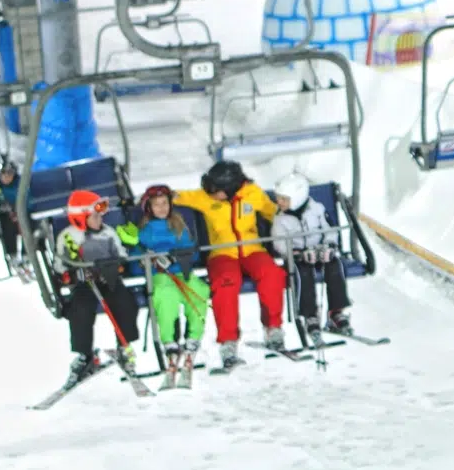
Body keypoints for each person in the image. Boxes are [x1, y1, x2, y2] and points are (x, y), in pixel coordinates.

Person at [176, 159, 285, 372]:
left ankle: (273, 328)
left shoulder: (253, 193)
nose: (210, 193)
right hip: (223, 253)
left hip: (252, 249)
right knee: (225, 282)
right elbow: (179, 196)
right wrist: (157, 196)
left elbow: (274, 213)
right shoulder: (204, 197)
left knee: (272, 273)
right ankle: (228, 342)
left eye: (216, 190)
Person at [55, 190, 142, 381]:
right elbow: (61, 266)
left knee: (125, 304)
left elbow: (121, 255)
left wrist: (116, 265)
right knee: (80, 310)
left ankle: (123, 345)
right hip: (85, 284)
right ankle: (85, 354)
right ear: (81, 218)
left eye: (100, 215)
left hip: (108, 279)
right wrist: (73, 273)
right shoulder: (68, 237)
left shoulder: (108, 233)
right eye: (94, 216)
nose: (100, 219)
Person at [128, 184, 209, 390]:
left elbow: (193, 251)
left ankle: (193, 339)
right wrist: (149, 260)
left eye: (165, 204)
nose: (162, 208)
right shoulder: (144, 231)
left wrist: (178, 256)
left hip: (182, 271)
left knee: (199, 290)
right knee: (166, 296)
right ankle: (169, 342)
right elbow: (136, 257)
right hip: (160, 276)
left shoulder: (179, 225)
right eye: (157, 205)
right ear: (149, 208)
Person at [272, 173, 351, 338]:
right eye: (278, 198)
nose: (279, 202)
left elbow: (329, 229)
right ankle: (310, 316)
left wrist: (329, 245)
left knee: (335, 265)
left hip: (319, 251)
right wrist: (293, 253)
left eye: (284, 199)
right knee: (302, 273)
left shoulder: (317, 209)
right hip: (298, 257)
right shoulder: (280, 219)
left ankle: (336, 312)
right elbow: (278, 242)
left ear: (297, 199)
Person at [0, 158, 23, 268]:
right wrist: (0, 207)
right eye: (3, 174)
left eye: (9, 174)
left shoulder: (20, 184)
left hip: (21, 212)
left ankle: (26, 254)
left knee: (26, 224)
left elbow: (28, 199)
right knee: (6, 225)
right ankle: (12, 254)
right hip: (6, 215)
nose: (6, 177)